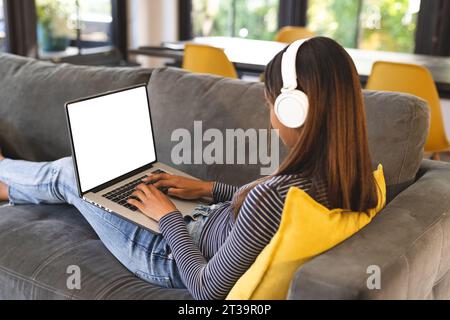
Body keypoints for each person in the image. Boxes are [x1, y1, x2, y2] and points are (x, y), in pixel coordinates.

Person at [0, 37, 378, 300]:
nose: (271, 119)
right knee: (103, 179)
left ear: (292, 109)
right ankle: (12, 185)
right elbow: (262, 219)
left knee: (73, 174)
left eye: (270, 104)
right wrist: (207, 189)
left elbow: (205, 290)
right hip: (200, 220)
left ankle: (6, 174)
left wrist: (167, 218)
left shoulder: (273, 197)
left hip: (168, 255)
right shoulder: (351, 178)